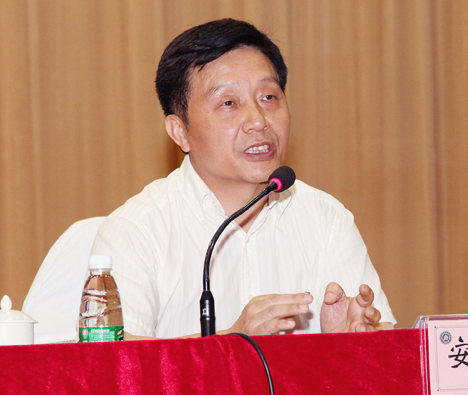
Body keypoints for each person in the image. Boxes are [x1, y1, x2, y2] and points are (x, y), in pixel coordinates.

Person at [91, 18, 396, 339]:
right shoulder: (135, 231)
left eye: (269, 97)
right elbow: (112, 360)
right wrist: (233, 343)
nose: (257, 121)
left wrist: (347, 344)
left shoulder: (325, 218)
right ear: (180, 132)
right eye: (228, 103)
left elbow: (386, 345)